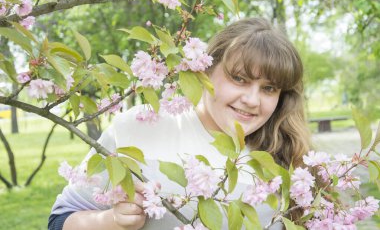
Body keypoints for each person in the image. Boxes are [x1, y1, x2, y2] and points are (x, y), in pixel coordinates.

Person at [48, 18, 311, 230]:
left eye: (269, 88)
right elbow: (59, 221)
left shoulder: (285, 163)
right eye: (240, 79)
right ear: (206, 69)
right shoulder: (139, 127)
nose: (253, 100)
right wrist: (110, 222)